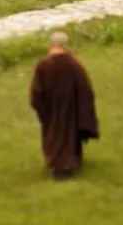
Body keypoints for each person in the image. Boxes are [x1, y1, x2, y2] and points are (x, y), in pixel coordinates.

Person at [29, 30, 99, 179]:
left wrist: (43, 111)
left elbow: (36, 93)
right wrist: (82, 108)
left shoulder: (43, 65)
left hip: (51, 110)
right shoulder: (73, 64)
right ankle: (70, 163)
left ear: (51, 45)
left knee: (55, 136)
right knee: (70, 135)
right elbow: (85, 88)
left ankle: (60, 166)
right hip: (71, 109)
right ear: (65, 45)